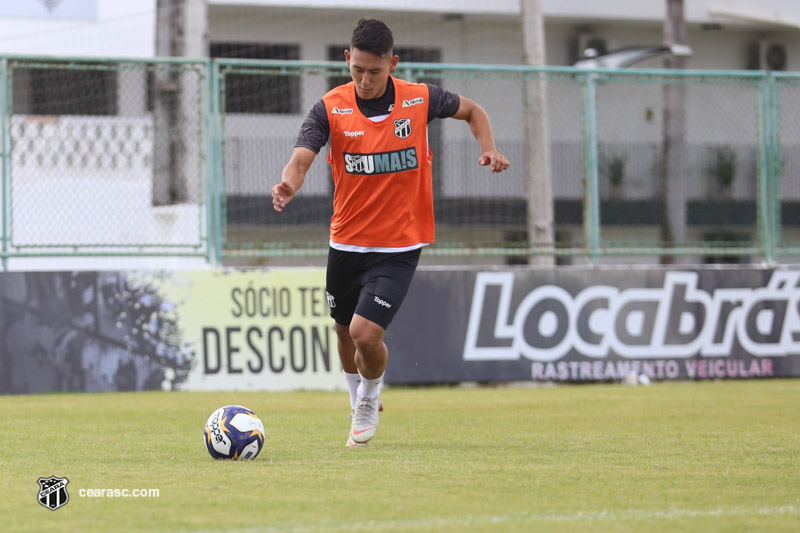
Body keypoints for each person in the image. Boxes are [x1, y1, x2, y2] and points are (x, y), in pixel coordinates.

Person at [272, 18, 509, 447]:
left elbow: (473, 110)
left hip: (399, 244)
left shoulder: (419, 99)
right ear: (347, 59)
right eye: (357, 69)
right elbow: (302, 156)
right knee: (344, 331)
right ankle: (355, 399)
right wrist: (290, 182)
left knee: (366, 333)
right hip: (345, 240)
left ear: (392, 64)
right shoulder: (330, 107)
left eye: (374, 71)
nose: (364, 80)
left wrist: (487, 147)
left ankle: (370, 395)